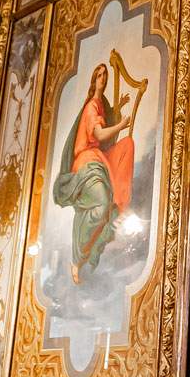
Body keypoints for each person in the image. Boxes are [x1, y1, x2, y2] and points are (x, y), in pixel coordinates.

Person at [52, 62, 134, 281]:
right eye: (99, 74)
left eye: (105, 74)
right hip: (86, 162)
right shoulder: (91, 106)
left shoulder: (101, 104)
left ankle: (86, 255)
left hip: (97, 160)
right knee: (102, 205)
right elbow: (98, 135)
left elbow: (104, 131)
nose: (103, 78)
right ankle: (79, 255)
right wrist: (121, 125)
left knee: (127, 145)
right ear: (93, 79)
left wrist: (117, 111)